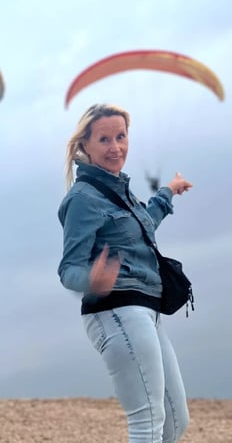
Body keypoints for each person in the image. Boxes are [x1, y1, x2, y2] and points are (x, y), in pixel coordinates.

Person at [57, 103, 193, 442]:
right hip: (116, 309)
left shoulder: (121, 192)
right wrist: (93, 279)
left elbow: (144, 223)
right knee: (147, 421)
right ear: (84, 145)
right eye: (104, 139)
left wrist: (169, 191)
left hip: (147, 309)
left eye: (121, 136)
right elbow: (69, 268)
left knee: (176, 422)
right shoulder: (82, 198)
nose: (115, 147)